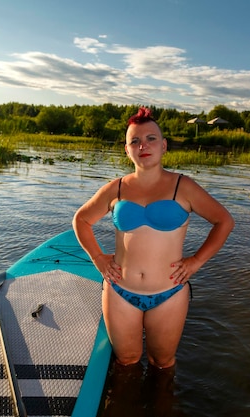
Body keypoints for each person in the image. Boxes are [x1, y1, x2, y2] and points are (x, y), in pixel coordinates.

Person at [73, 107, 234, 370]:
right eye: (134, 141)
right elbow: (81, 220)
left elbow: (224, 221)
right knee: (126, 362)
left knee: (162, 363)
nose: (143, 146)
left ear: (164, 146)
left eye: (151, 139)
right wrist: (98, 258)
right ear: (127, 150)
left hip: (169, 293)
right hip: (119, 291)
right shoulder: (117, 188)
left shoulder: (184, 186)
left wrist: (195, 262)